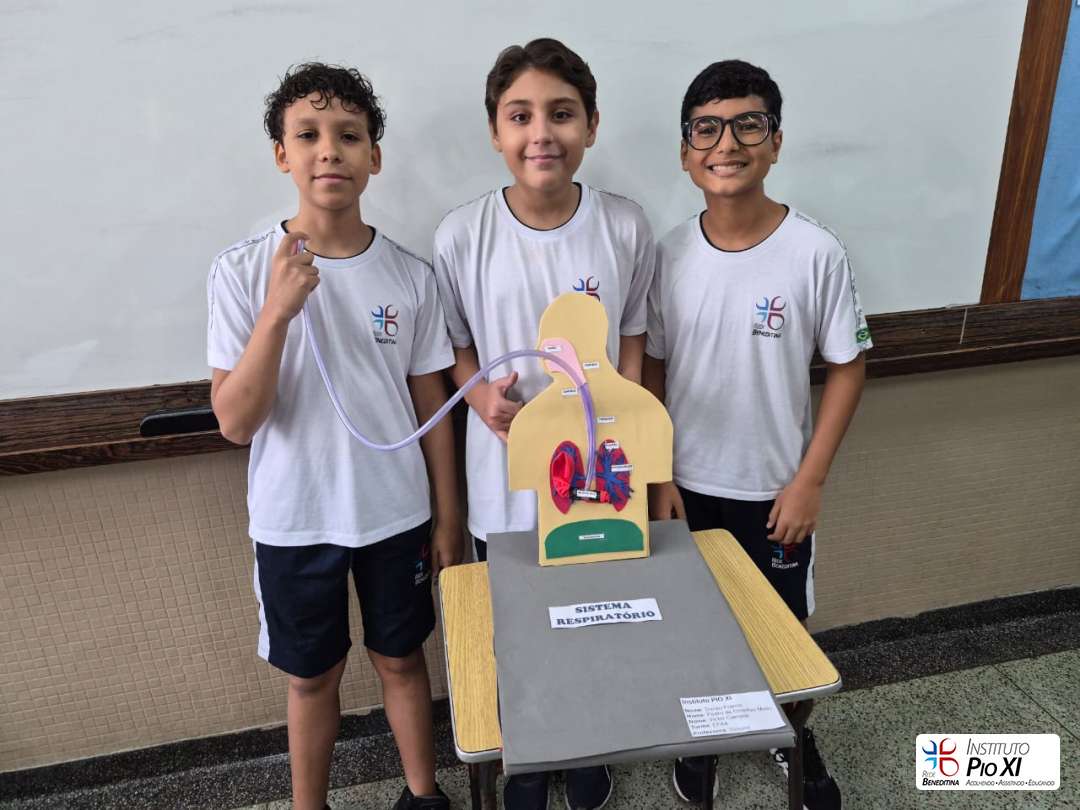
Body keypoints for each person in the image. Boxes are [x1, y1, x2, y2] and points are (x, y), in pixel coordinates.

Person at [207, 63, 461, 810]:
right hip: (297, 519)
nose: (329, 151)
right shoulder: (242, 271)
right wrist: (277, 312)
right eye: (308, 135)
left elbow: (432, 408)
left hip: (395, 513)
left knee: (402, 658)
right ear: (281, 155)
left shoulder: (410, 275)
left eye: (349, 136)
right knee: (311, 676)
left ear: (373, 157)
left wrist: (448, 518)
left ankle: (423, 794)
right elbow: (235, 422)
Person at [432, 37, 655, 810]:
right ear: (495, 132)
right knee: (515, 625)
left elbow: (634, 337)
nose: (541, 134)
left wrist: (621, 425)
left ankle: (588, 744)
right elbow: (454, 345)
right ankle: (527, 753)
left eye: (561, 114)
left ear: (591, 124)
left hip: (597, 477)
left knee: (592, 615)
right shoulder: (462, 235)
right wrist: (479, 396)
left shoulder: (625, 226)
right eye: (520, 116)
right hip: (504, 478)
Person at [644, 59, 871, 810]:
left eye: (748, 125)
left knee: (783, 633)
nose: (727, 144)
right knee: (694, 624)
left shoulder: (814, 251)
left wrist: (809, 481)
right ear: (685, 153)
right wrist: (658, 475)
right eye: (706, 129)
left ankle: (790, 736)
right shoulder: (667, 255)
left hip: (775, 490)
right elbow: (651, 368)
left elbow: (848, 367)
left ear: (775, 142)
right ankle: (703, 738)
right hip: (685, 487)